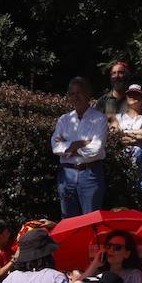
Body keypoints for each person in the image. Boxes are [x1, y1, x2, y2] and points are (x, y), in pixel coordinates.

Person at [52, 77, 108, 217]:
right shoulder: (64, 120)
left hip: (90, 174)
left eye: (80, 92)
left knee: (91, 220)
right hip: (67, 174)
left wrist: (69, 148)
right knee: (68, 221)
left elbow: (96, 149)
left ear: (88, 94)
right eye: (72, 93)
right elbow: (55, 146)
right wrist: (80, 144)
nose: (76, 97)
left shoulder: (99, 119)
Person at [69, 230, 142, 283]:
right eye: (108, 246)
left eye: (117, 247)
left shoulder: (134, 274)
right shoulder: (98, 273)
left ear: (127, 254)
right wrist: (95, 264)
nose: (110, 250)